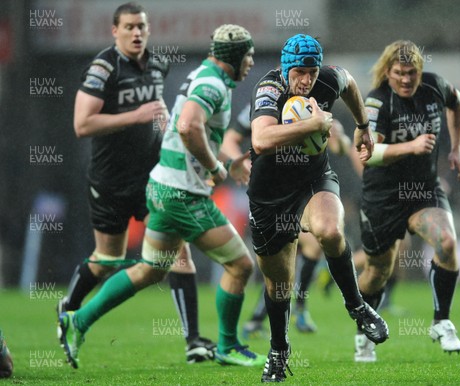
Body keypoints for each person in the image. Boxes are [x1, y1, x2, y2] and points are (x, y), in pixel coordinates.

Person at [58, 23, 265, 369]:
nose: (251, 62)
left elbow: (194, 129)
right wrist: (215, 167)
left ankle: (76, 321)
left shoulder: (208, 76)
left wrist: (225, 163)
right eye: (249, 56)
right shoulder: (213, 83)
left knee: (150, 270)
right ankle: (227, 346)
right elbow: (187, 126)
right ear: (236, 56)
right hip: (182, 195)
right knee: (241, 264)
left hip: (162, 187)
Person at [58, 2, 209, 364]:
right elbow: (82, 125)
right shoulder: (103, 68)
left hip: (152, 176)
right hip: (110, 180)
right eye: (129, 27)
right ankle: (69, 312)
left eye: (141, 26)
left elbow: (156, 110)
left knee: (179, 252)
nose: (137, 33)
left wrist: (163, 127)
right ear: (115, 31)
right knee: (108, 259)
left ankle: (194, 343)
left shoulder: (157, 64)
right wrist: (136, 115)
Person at [248, 34, 389, 382]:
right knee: (279, 284)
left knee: (330, 229)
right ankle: (279, 350)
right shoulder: (269, 90)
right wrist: (311, 125)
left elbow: (351, 83)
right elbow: (260, 140)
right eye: (299, 72)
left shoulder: (327, 78)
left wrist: (362, 126)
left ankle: (357, 306)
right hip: (270, 195)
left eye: (311, 72)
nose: (306, 80)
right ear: (285, 68)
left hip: (313, 181)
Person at [356, 40, 460, 361]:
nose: (406, 79)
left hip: (423, 190)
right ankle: (364, 330)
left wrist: (456, 149)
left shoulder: (434, 87)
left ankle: (441, 321)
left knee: (446, 241)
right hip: (383, 196)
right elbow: (365, 153)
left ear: (421, 71)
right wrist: (411, 146)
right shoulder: (377, 102)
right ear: (387, 72)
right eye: (400, 73)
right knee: (378, 271)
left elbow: (457, 103)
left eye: (412, 73)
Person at [224, 106, 351, 337]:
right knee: (281, 267)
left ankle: (292, 310)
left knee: (310, 247)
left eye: (308, 72)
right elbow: (229, 139)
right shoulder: (265, 103)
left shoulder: (315, 101)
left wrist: (337, 135)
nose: (302, 76)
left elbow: (340, 147)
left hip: (304, 190)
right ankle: (268, 318)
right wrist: (241, 162)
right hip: (271, 195)